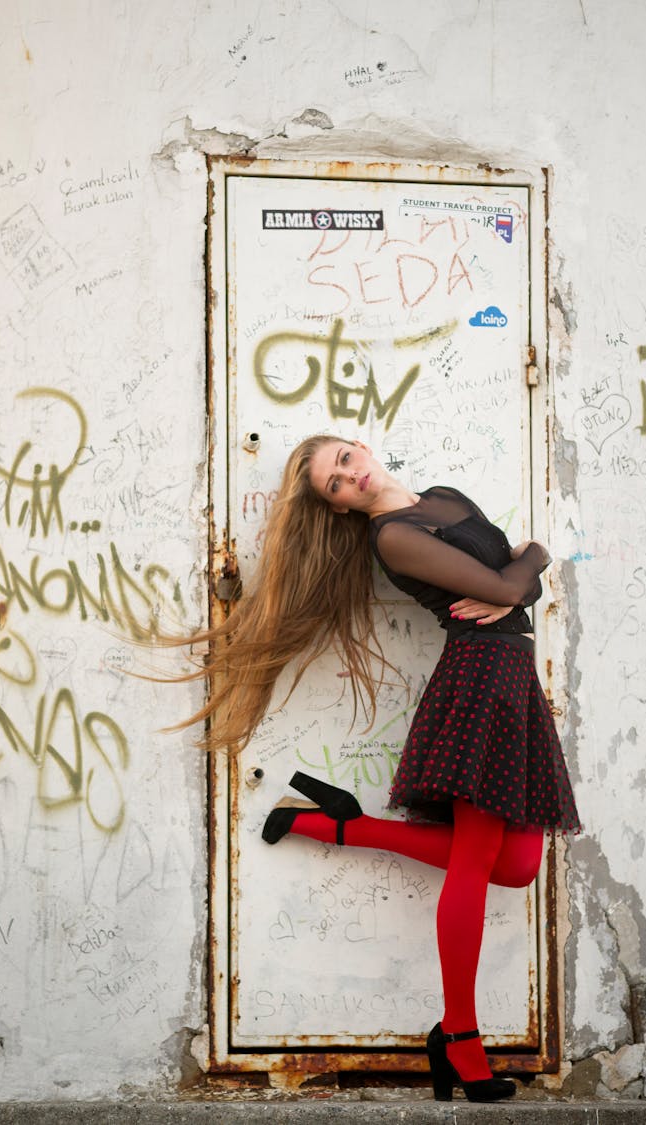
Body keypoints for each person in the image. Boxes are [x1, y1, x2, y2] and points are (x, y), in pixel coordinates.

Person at [195, 434, 581, 1103]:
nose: (351, 475)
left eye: (346, 459)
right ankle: (459, 1037)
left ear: (362, 446)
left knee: (516, 866)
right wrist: (522, 573)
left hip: (509, 680)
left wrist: (524, 571)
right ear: (340, 507)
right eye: (336, 483)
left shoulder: (445, 499)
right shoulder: (393, 536)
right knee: (476, 860)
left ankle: (344, 825)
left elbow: (519, 574)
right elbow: (509, 576)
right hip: (480, 679)